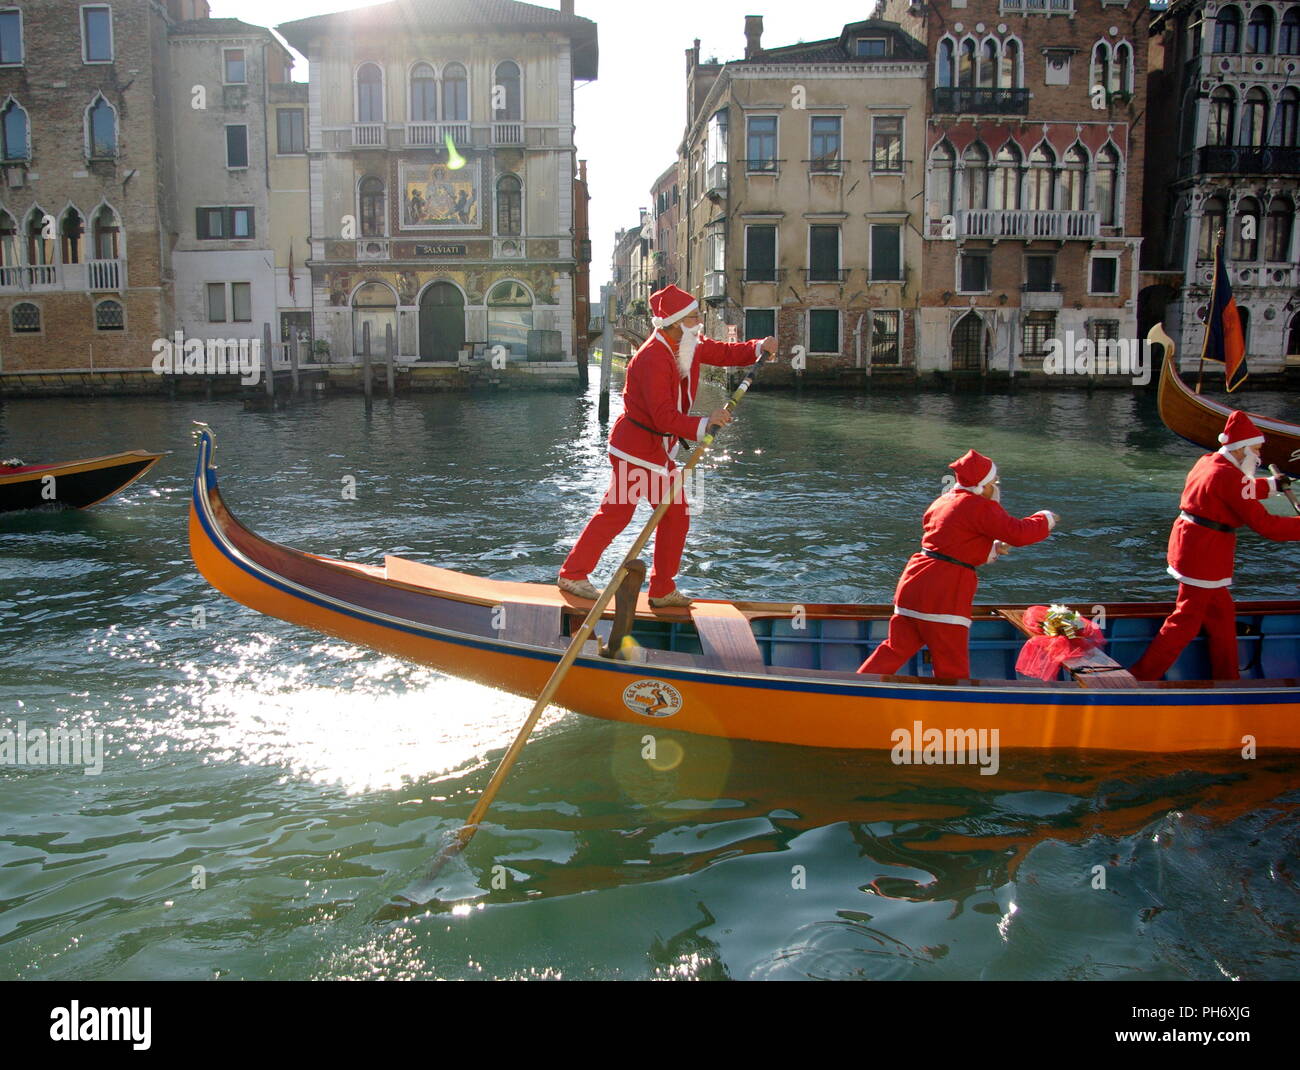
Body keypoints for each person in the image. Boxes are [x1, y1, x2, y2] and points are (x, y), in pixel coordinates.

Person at [558, 284, 777, 608]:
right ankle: (575, 574)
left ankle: (660, 589)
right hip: (636, 448)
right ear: (675, 322)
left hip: (655, 450)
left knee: (672, 514)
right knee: (619, 514)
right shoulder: (651, 357)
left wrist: (758, 347)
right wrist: (705, 423)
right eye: (692, 317)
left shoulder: (687, 342)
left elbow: (723, 353)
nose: (698, 321)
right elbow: (663, 416)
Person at [858, 450, 1059, 680]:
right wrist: (1046, 518)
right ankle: (953, 707)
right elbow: (1019, 533)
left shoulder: (943, 501)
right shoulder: (979, 506)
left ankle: (855, 688)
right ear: (982, 485)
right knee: (950, 660)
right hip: (944, 592)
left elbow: (948, 542)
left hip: (914, 583)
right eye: (994, 482)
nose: (996, 487)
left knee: (895, 648)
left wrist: (991, 548)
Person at [1130, 410, 1299, 681]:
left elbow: (1237, 490)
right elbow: (1266, 526)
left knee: (1221, 617)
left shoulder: (1210, 462)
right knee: (1184, 622)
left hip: (1194, 545)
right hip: (1204, 554)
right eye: (1256, 450)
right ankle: (1142, 677)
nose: (1259, 457)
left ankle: (1227, 678)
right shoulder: (1228, 477)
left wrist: (1270, 486)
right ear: (1241, 451)